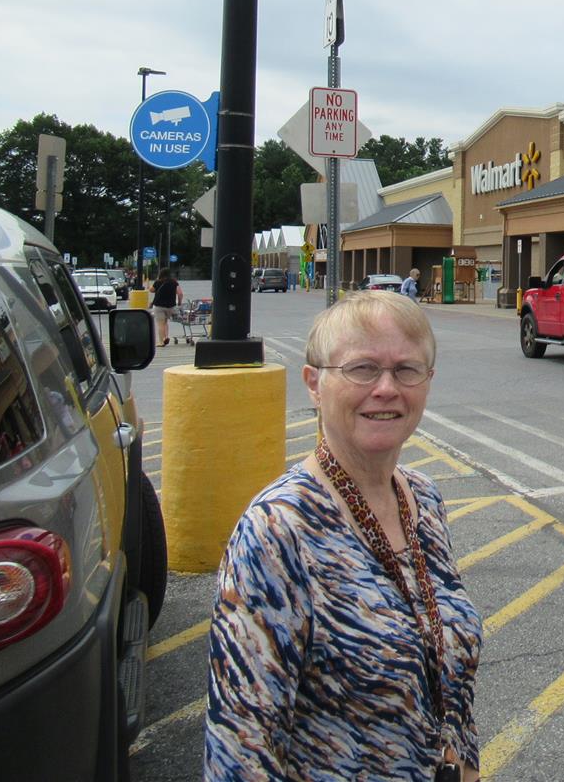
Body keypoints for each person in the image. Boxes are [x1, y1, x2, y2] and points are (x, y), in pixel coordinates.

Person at [205, 291, 482, 781]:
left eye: (406, 370)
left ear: (428, 382)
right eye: (362, 369)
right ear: (314, 384)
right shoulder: (277, 530)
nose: (386, 388)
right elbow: (241, 748)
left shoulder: (423, 498)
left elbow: (443, 674)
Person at [151, 267, 182, 347]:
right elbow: (180, 293)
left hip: (159, 306)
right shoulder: (174, 282)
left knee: (160, 324)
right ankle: (166, 337)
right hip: (170, 307)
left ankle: (161, 342)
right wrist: (179, 303)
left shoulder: (158, 282)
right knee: (165, 322)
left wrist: (157, 281)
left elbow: (151, 290)